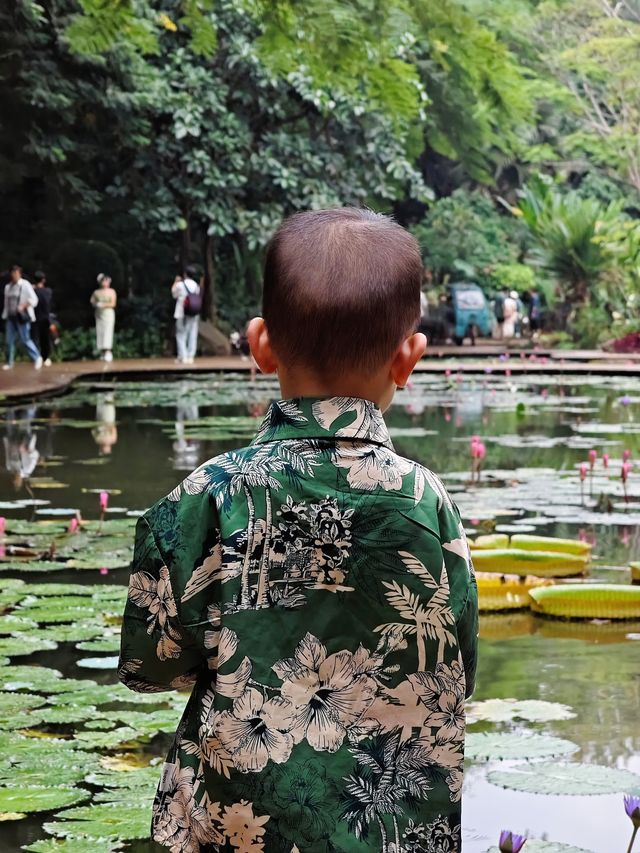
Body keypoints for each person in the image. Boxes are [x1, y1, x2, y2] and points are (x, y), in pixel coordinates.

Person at [118, 208, 479, 853]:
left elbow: (150, 665)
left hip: (233, 827)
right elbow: (457, 669)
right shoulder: (427, 503)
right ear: (409, 358)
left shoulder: (208, 497)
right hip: (391, 833)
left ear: (261, 345)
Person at [2, 265, 43, 370]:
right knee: (8, 341)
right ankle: (9, 362)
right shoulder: (8, 287)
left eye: (16, 273)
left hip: (22, 317)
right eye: (12, 273)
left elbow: (34, 300)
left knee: (25, 339)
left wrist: (24, 306)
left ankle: (37, 357)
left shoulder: (25, 285)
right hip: (11, 317)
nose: (14, 275)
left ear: (19, 274)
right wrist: (5, 315)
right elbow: (7, 303)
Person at [171, 265, 201, 364]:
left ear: (185, 274)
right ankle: (190, 356)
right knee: (192, 333)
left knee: (180, 333)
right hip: (194, 312)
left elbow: (174, 294)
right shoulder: (196, 285)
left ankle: (183, 356)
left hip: (181, 312)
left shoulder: (180, 285)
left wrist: (175, 282)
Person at [90, 273, 116, 362]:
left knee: (108, 331)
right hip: (99, 314)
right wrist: (97, 304)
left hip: (108, 314)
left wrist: (103, 304)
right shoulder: (96, 292)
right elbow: (92, 302)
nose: (105, 282)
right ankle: (102, 351)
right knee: (100, 331)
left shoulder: (112, 291)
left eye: (106, 281)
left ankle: (108, 351)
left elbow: (113, 303)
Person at [32, 270, 54, 366]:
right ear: (43, 280)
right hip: (45, 318)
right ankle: (45, 358)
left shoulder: (33, 291)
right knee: (45, 339)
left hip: (35, 318)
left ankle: (37, 357)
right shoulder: (48, 291)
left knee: (35, 339)